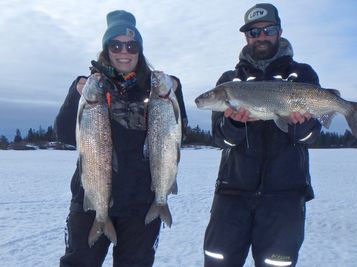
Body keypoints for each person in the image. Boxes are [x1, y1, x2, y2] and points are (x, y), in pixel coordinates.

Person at [55, 10, 188, 267]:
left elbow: (177, 134)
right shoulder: (90, 86)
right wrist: (76, 95)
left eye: (131, 45)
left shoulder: (155, 86)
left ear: (139, 50)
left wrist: (175, 94)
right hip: (91, 198)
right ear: (107, 49)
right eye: (116, 45)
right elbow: (63, 134)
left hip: (141, 203)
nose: (124, 51)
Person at [203, 3, 321, 267]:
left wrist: (299, 125)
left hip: (285, 197)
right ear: (246, 37)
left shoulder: (301, 75)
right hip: (232, 196)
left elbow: (311, 136)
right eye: (254, 32)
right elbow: (219, 139)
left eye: (267, 30)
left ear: (279, 31)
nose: (261, 36)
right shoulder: (230, 81)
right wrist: (232, 125)